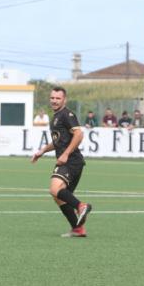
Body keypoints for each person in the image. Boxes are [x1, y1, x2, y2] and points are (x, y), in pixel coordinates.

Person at [30, 87, 92, 238]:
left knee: (54, 189)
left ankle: (81, 206)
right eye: (52, 98)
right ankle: (78, 229)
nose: (54, 101)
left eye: (58, 98)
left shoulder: (67, 114)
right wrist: (42, 151)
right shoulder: (56, 117)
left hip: (71, 161)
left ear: (64, 100)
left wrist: (65, 154)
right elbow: (58, 141)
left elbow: (79, 134)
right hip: (72, 162)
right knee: (59, 197)